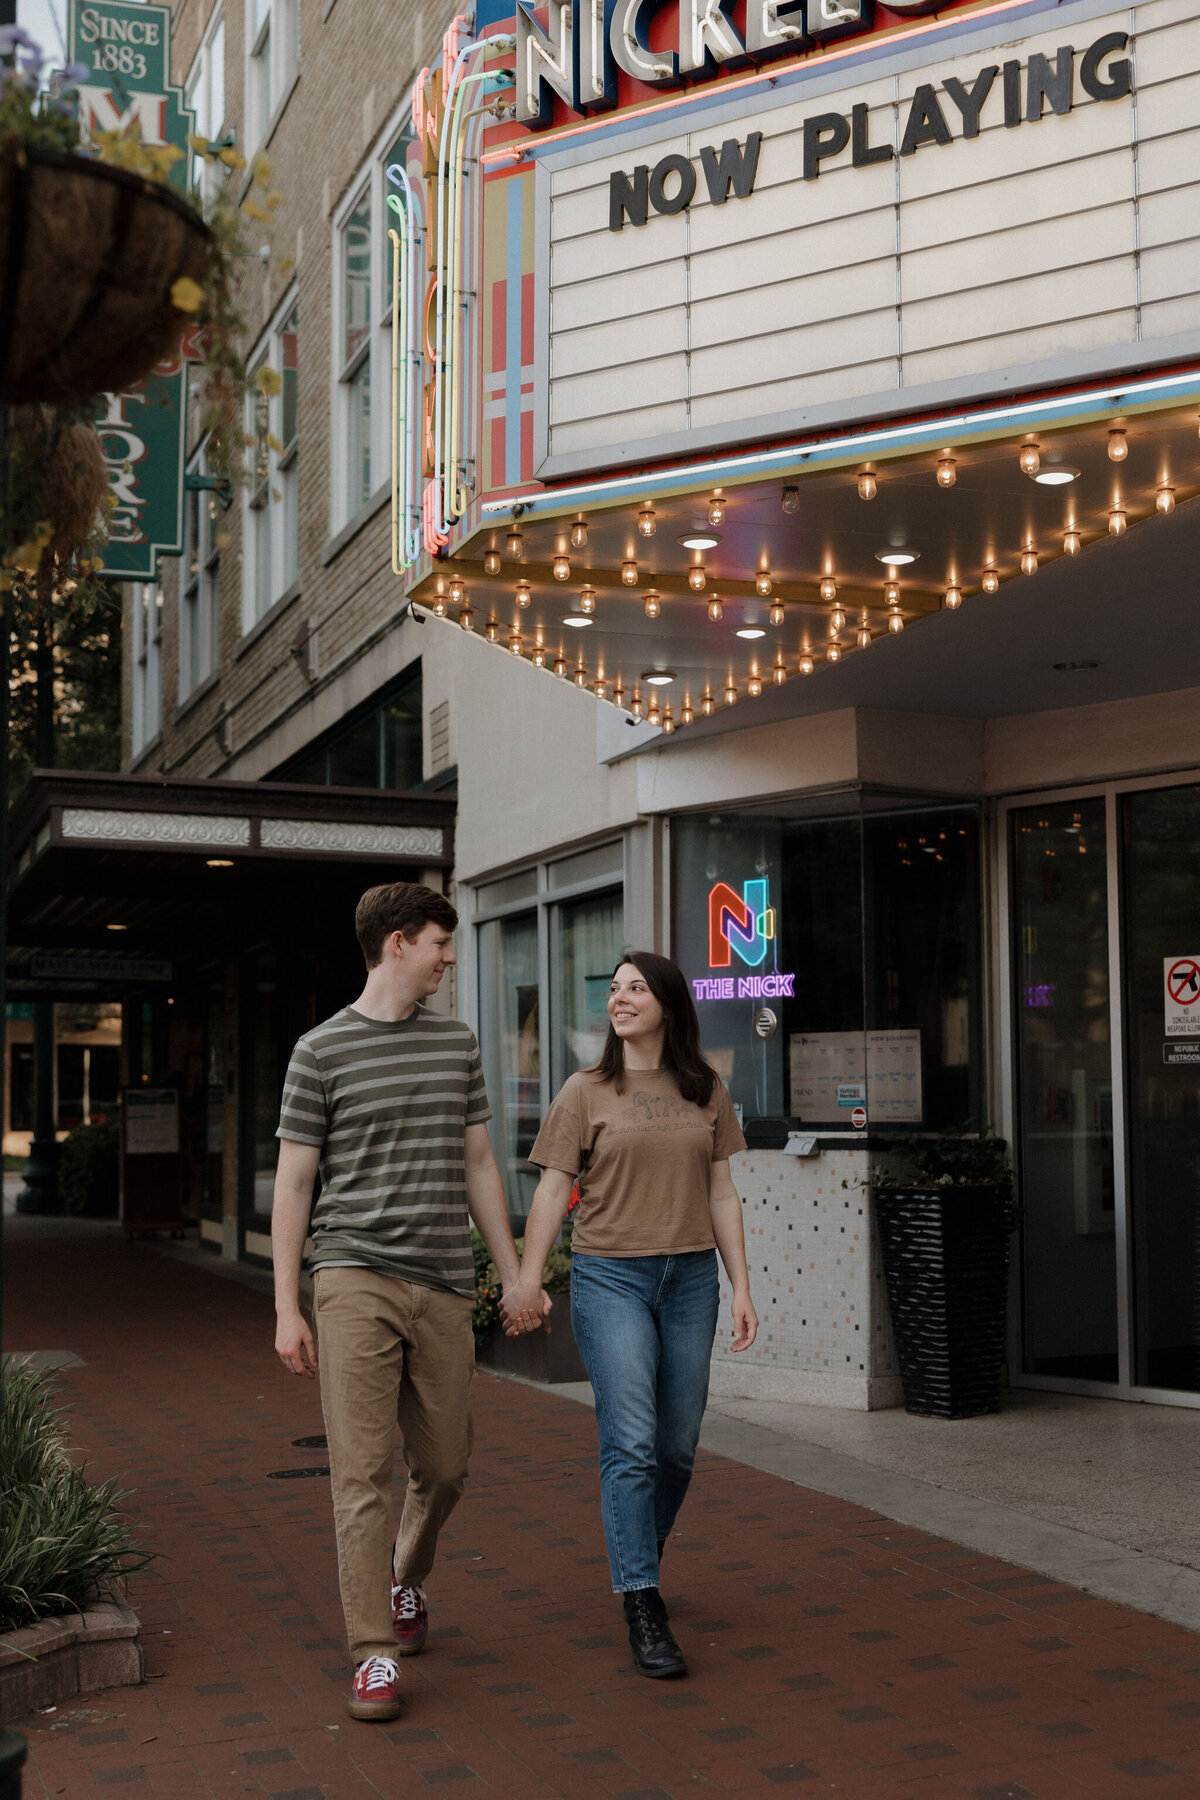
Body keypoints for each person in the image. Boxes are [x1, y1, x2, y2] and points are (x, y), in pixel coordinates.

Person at [272, 881, 547, 1724]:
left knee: (447, 1463)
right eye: (439, 942)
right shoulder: (318, 1051)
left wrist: (512, 1273)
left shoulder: (455, 1044)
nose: (450, 956)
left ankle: (405, 1578)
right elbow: (294, 1180)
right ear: (398, 944)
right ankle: (374, 1655)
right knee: (361, 1474)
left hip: (441, 1282)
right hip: (351, 1275)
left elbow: (477, 1165)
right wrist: (288, 1306)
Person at [501, 950, 758, 1680]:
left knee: (677, 1445)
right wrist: (526, 1277)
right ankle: (642, 1597)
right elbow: (553, 1191)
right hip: (610, 1277)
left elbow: (721, 1193)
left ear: (668, 1004)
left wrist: (741, 1286)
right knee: (633, 1442)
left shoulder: (706, 1088)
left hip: (690, 1281)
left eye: (636, 989)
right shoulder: (585, 1091)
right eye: (613, 990)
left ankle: (639, 1548)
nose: (619, 1000)